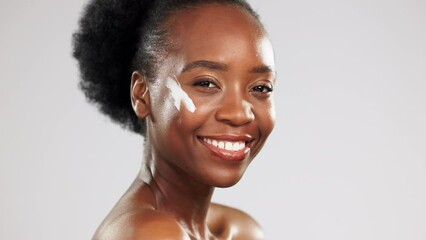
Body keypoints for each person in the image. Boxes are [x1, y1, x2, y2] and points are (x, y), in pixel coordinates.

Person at [73, 0, 276, 239]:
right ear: (141, 94)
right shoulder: (150, 233)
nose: (240, 113)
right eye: (206, 83)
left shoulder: (240, 230)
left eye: (261, 88)